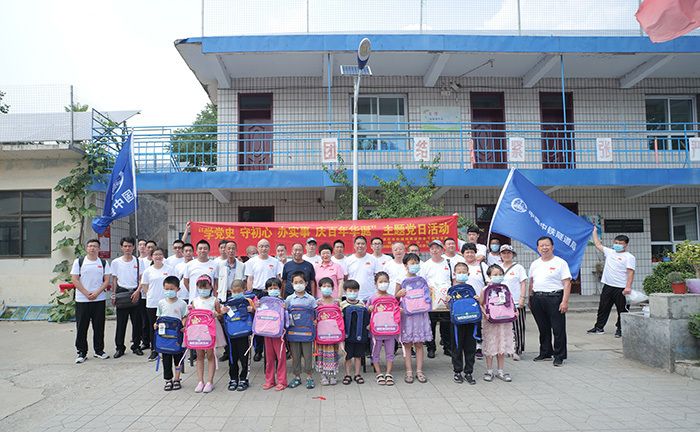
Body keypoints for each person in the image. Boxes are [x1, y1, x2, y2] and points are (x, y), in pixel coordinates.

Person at [529, 236, 571, 367]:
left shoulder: (560, 263)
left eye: (547, 245)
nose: (544, 248)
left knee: (558, 329)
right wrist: (530, 298)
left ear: (552, 247)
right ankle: (545, 352)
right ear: (538, 248)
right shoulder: (535, 264)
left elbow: (567, 283)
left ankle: (559, 356)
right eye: (541, 245)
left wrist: (564, 301)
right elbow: (531, 282)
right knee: (543, 328)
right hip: (537, 298)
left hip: (554, 298)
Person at [588, 227, 635, 337]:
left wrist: (628, 287)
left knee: (622, 310)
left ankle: (621, 329)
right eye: (616, 242)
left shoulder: (629, 257)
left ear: (626, 245)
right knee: (603, 308)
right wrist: (594, 232)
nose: (617, 245)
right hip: (608, 286)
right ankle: (599, 327)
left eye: (620, 243)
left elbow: (630, 273)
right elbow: (598, 244)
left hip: (621, 288)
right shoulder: (610, 252)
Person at [71, 239, 111, 363]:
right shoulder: (79, 262)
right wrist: (85, 293)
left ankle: (99, 350)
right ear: (86, 248)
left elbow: (106, 280)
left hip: (99, 299)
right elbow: (75, 279)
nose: (92, 248)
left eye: (95, 246)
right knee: (82, 326)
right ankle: (82, 352)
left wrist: (96, 293)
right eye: (90, 246)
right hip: (82, 299)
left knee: (99, 326)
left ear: (99, 249)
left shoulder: (103, 263)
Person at [395, 253, 431, 384]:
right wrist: (399, 294)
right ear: (405, 265)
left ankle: (419, 370)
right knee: (407, 344)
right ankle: (409, 370)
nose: (415, 265)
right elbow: (395, 298)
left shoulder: (422, 279)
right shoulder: (400, 279)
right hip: (407, 315)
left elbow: (427, 296)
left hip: (420, 315)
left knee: (419, 343)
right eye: (412, 263)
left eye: (416, 262)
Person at [245, 239, 283, 362]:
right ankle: (258, 350)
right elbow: (250, 279)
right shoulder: (251, 262)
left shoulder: (275, 262)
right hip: (257, 293)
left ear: (269, 248)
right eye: (261, 246)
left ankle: (272, 351)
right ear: (257, 248)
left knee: (272, 321)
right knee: (259, 322)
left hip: (271, 294)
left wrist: (279, 296)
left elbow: (279, 279)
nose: (264, 248)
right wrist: (250, 296)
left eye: (266, 246)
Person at [480, 265, 516, 382]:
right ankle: (489, 370)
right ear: (489, 276)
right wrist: (485, 314)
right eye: (495, 275)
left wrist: (515, 311)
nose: (498, 277)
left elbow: (510, 302)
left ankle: (500, 371)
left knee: (502, 344)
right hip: (490, 322)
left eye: (500, 274)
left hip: (504, 321)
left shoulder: (505, 289)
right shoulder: (485, 289)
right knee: (490, 344)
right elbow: (481, 304)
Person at [139, 247, 176, 361]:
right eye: (155, 254)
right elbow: (144, 285)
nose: (158, 257)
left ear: (163, 256)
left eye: (160, 254)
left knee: (167, 326)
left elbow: (174, 284)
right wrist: (149, 295)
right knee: (153, 327)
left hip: (167, 303)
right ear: (151, 257)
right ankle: (154, 350)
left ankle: (167, 348)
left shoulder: (169, 269)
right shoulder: (148, 271)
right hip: (152, 303)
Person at [190, 275, 226, 393]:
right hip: (198, 330)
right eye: (200, 288)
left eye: (205, 287)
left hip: (211, 330)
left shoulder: (214, 300)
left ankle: (210, 381)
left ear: (211, 287)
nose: (203, 290)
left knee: (210, 355)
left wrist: (217, 314)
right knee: (199, 356)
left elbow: (219, 315)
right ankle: (200, 381)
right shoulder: (195, 301)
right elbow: (193, 315)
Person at [110, 237, 144, 358]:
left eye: (130, 246)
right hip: (122, 293)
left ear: (134, 247)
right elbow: (114, 280)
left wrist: (138, 291)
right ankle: (119, 348)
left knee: (137, 322)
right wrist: (114, 295)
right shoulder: (116, 262)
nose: (127, 248)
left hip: (135, 293)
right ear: (121, 247)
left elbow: (141, 279)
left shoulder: (138, 262)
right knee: (121, 323)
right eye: (125, 246)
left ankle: (136, 346)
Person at [285, 272, 317, 389]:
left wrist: (315, 321)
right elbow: (285, 314)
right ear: (292, 284)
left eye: (301, 282)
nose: (298, 284)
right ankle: (297, 377)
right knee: (295, 355)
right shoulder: (289, 299)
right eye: (296, 282)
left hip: (307, 333)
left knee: (308, 355)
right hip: (293, 332)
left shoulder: (310, 299)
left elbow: (316, 313)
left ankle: (309, 377)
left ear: (306, 283)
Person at [420, 239, 452, 358]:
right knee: (431, 324)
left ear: (442, 249)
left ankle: (447, 347)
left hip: (445, 299)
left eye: (437, 248)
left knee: (446, 324)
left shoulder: (448, 263)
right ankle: (431, 348)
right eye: (432, 248)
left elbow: (452, 279)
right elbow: (422, 282)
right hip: (431, 299)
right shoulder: (426, 265)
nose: (434, 250)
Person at [367, 271, 399, 386]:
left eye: (385, 281)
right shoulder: (372, 298)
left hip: (390, 330)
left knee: (390, 352)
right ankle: (379, 373)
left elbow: (396, 312)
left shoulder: (392, 298)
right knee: (375, 352)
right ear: (375, 284)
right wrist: (369, 309)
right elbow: (367, 313)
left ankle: (388, 373)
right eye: (380, 282)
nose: (383, 284)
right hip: (377, 330)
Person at [156, 276, 187, 391]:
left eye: (171, 289)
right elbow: (159, 316)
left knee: (178, 357)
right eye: (166, 289)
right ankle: (168, 379)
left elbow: (184, 316)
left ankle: (177, 379)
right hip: (165, 336)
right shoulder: (161, 303)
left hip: (177, 335)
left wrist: (183, 325)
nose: (169, 291)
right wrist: (156, 324)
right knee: (166, 358)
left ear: (178, 289)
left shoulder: (182, 303)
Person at [450, 262, 478, 384]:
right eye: (459, 272)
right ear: (454, 274)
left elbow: (475, 304)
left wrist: (477, 299)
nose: (461, 274)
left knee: (470, 347)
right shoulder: (451, 290)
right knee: (457, 346)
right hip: (457, 323)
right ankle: (457, 371)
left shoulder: (470, 289)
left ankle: (469, 372)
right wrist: (447, 301)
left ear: (468, 274)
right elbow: (449, 307)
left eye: (464, 272)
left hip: (471, 321)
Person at [258, 277, 288, 391]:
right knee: (269, 357)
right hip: (267, 332)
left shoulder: (283, 302)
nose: (273, 290)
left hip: (279, 334)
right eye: (270, 288)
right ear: (267, 290)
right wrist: (257, 306)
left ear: (280, 289)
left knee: (281, 357)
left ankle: (282, 381)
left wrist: (286, 309)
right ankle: (269, 380)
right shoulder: (263, 302)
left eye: (275, 288)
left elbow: (287, 319)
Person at [499, 244, 528, 360]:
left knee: (518, 327)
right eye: (504, 253)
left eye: (508, 253)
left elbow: (523, 283)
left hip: (516, 302)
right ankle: (507, 348)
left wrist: (522, 298)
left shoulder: (518, 267)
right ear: (500, 255)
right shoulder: (498, 268)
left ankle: (517, 350)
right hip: (502, 303)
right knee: (505, 327)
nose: (506, 255)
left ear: (512, 254)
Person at [461, 242, 489, 358]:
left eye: (472, 252)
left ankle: (479, 347)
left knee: (479, 325)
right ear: (463, 254)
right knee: (466, 324)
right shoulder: (460, 266)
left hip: (479, 301)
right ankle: (466, 347)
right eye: (467, 252)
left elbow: (488, 283)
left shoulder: (482, 266)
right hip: (463, 302)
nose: (469, 254)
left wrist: (483, 298)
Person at [226, 280, 254, 392]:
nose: (236, 293)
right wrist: (222, 311)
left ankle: (244, 379)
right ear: (231, 291)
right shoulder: (228, 302)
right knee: (232, 358)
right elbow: (222, 316)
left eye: (239, 291)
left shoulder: (248, 301)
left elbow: (256, 314)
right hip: (232, 334)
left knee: (244, 357)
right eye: (234, 291)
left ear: (244, 290)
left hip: (244, 334)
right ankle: (233, 379)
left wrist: (252, 310)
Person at [315, 277, 341, 385]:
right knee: (321, 353)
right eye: (324, 286)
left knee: (333, 353)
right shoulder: (317, 302)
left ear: (333, 288)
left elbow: (340, 316)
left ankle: (332, 374)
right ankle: (323, 375)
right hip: (321, 332)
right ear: (319, 288)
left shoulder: (337, 302)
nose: (326, 288)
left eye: (329, 286)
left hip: (333, 332)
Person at [340, 279, 366, 385]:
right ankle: (348, 374)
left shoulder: (362, 304)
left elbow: (365, 319)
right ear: (345, 291)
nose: (352, 292)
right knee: (348, 355)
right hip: (348, 335)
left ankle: (357, 374)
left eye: (355, 290)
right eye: (350, 290)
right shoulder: (342, 304)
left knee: (358, 355)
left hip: (359, 334)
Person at [345, 236, 381, 301]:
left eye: (362, 244)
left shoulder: (373, 259)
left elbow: (377, 277)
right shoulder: (348, 260)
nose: (360, 246)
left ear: (366, 246)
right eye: (358, 244)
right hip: (353, 295)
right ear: (354, 246)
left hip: (369, 294)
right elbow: (345, 278)